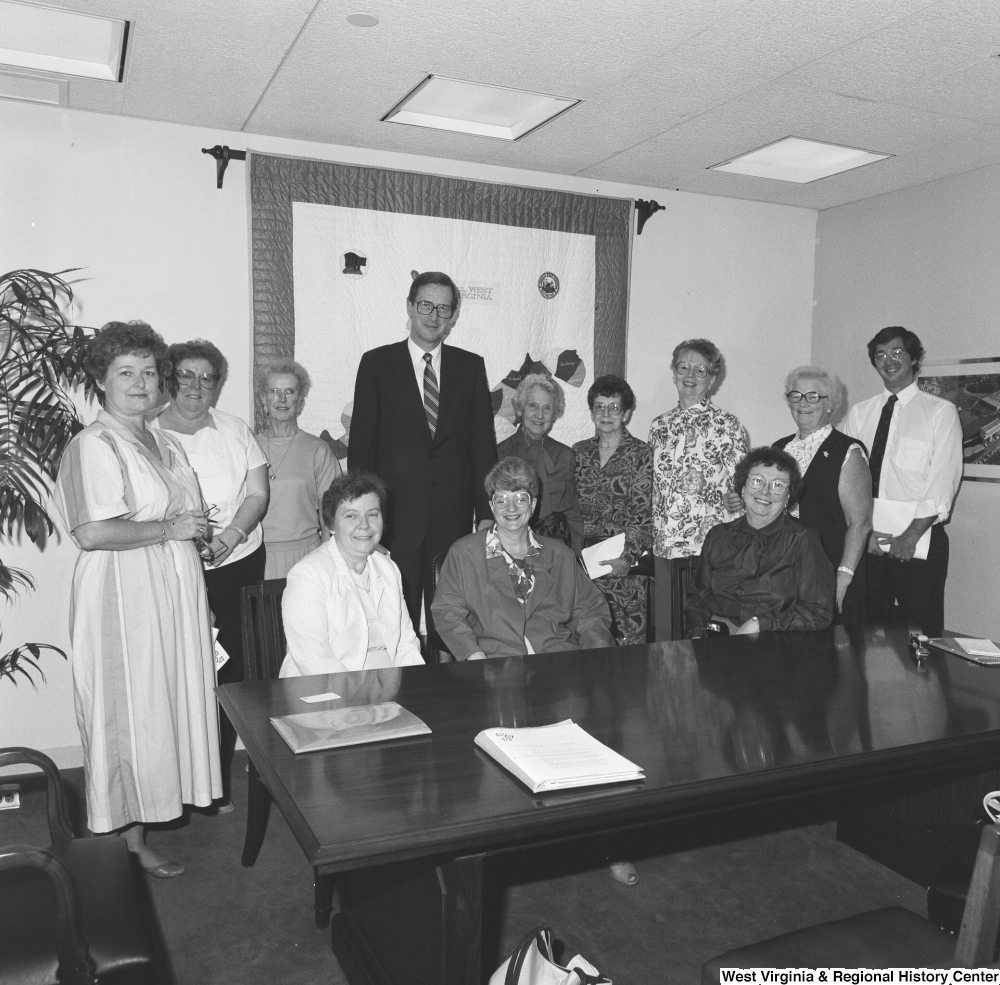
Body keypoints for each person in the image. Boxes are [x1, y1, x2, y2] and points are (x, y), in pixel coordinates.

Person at [53, 321, 221, 878]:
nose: (140, 382)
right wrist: (170, 531)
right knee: (129, 712)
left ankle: (144, 822)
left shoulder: (164, 440)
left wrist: (190, 539)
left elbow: (182, 518)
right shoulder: (92, 445)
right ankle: (125, 842)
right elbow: (92, 532)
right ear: (100, 380)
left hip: (171, 591)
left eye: (149, 371)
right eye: (125, 371)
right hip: (123, 597)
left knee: (161, 706)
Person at [152, 339, 269, 808]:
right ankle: (174, 786)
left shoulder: (234, 428)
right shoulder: (149, 435)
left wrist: (233, 536)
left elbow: (257, 494)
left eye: (207, 377)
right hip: (176, 571)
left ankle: (216, 783)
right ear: (169, 378)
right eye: (186, 376)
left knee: (231, 674)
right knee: (181, 671)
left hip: (238, 565)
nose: (197, 386)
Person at [350, 270, 498, 636]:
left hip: (453, 516)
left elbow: (482, 446)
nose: (434, 316)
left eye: (443, 309)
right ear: (410, 307)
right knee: (390, 618)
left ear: (453, 316)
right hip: (394, 518)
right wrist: (365, 516)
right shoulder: (376, 364)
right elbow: (362, 448)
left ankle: (444, 691)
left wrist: (486, 514)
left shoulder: (471, 366)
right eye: (426, 305)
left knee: (448, 618)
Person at [725, 367, 873, 623]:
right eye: (796, 396)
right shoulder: (779, 448)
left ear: (831, 405)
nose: (803, 403)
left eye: (813, 396)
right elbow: (768, 503)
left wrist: (844, 575)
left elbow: (860, 524)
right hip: (781, 571)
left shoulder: (848, 452)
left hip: (827, 571)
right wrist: (740, 501)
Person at [842, 327, 962, 637]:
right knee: (865, 634)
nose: (888, 361)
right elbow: (845, 479)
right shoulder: (860, 413)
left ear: (913, 358)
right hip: (868, 543)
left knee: (923, 634)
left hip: (918, 543)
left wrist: (910, 536)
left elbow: (942, 482)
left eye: (897, 353)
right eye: (880, 355)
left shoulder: (940, 412)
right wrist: (862, 535)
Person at [431, 457, 613, 659]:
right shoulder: (464, 553)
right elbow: (446, 611)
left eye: (520, 498)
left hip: (557, 661)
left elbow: (591, 612)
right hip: (495, 664)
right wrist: (472, 653)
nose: (511, 508)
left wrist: (597, 655)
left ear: (533, 504)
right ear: (492, 506)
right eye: (502, 499)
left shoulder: (560, 555)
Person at [649, 339, 748, 640]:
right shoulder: (658, 426)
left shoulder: (728, 426)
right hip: (664, 545)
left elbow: (741, 491)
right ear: (674, 372)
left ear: (712, 379)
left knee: (702, 632)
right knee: (667, 631)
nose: (690, 376)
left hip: (707, 548)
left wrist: (738, 501)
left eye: (700, 370)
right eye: (683, 367)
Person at [280, 471, 424, 676]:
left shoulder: (388, 568)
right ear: (330, 524)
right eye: (351, 516)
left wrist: (415, 687)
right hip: (326, 690)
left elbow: (405, 643)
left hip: (387, 685)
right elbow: (314, 660)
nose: (364, 525)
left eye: (372, 514)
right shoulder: (308, 574)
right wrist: (360, 703)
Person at [685, 447, 835, 637]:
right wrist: (698, 633)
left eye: (778, 485)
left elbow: (819, 612)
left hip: (777, 647)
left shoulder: (803, 539)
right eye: (757, 481)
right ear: (743, 487)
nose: (765, 491)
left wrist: (760, 624)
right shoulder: (717, 536)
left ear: (788, 497)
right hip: (717, 643)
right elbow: (697, 598)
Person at [572, 374, 653, 645]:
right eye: (599, 406)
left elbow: (643, 513)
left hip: (624, 568)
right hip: (584, 569)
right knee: (589, 642)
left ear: (626, 414)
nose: (606, 414)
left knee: (627, 646)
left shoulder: (642, 454)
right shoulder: (578, 453)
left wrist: (627, 557)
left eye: (614, 407)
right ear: (592, 412)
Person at [256, 358, 342, 579]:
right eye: (274, 391)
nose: (282, 399)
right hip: (256, 555)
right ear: (263, 399)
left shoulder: (318, 450)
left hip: (306, 556)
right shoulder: (247, 447)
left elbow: (332, 512)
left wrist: (326, 560)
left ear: (300, 402)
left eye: (290, 392)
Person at [497, 373, 583, 552]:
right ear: (520, 409)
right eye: (533, 406)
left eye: (547, 408)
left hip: (558, 549)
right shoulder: (500, 454)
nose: (539, 415)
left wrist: (575, 558)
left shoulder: (565, 455)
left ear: (554, 414)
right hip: (513, 545)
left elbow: (573, 513)